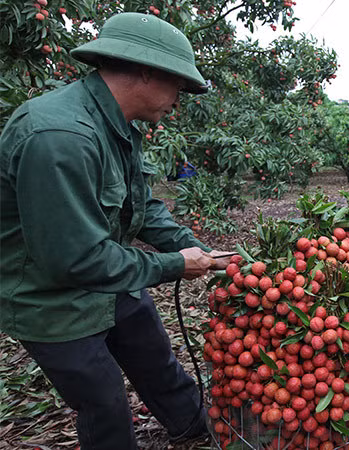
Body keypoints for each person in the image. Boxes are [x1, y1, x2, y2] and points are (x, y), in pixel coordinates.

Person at [0, 12, 232, 449]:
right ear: (145, 72)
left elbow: (142, 209)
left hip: (109, 282)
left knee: (156, 360)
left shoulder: (118, 127)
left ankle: (196, 430)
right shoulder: (60, 135)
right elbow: (75, 259)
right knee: (104, 404)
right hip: (51, 300)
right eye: (177, 86)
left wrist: (203, 252)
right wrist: (173, 266)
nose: (177, 101)